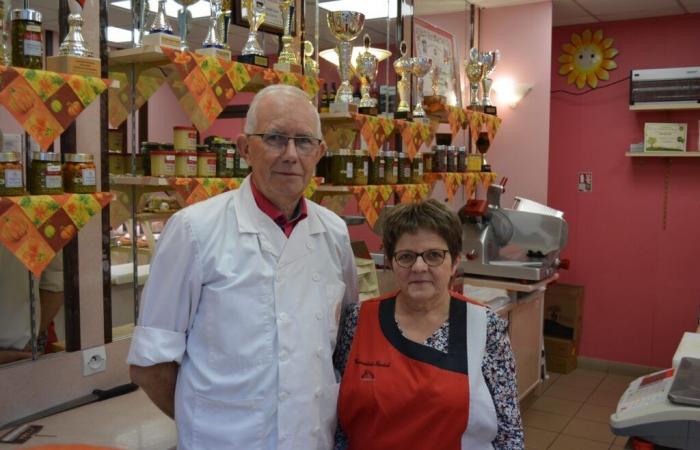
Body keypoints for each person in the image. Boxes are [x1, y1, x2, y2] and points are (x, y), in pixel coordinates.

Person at [127, 85, 359, 449]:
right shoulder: (194, 230)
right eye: (275, 138)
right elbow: (150, 363)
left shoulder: (333, 232)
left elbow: (340, 342)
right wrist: (205, 421)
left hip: (312, 437)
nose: (290, 155)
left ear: (320, 153)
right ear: (244, 149)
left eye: (303, 142)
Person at [334, 199, 524, 449]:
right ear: (390, 262)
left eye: (434, 255)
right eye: (406, 257)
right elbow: (340, 427)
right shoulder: (358, 320)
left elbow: (509, 434)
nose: (419, 267)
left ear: (455, 262)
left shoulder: (484, 327)